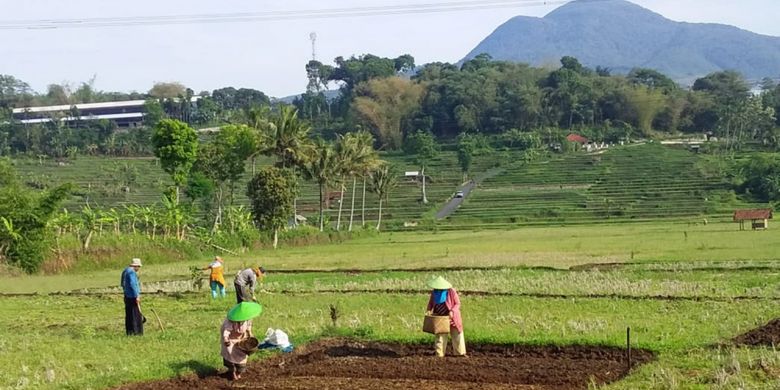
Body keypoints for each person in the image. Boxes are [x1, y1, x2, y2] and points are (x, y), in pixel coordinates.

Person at [221, 301, 263, 380]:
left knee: (242, 357)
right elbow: (226, 332)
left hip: (242, 338)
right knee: (230, 355)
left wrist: (250, 334)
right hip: (231, 338)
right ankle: (232, 372)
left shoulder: (248, 317)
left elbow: (248, 326)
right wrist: (226, 339)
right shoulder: (230, 321)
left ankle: (238, 372)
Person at [426, 276, 466, 357]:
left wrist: (452, 311)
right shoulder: (434, 292)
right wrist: (429, 310)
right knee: (440, 337)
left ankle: (459, 354)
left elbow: (457, 303)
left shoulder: (451, 292)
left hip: (452, 317)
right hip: (440, 317)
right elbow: (431, 303)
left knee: (457, 335)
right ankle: (439, 354)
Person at [120, 258, 144, 336]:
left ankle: (129, 332)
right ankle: (136, 332)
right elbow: (133, 284)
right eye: (138, 267)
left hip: (127, 296)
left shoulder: (125, 271)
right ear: (136, 266)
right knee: (135, 315)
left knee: (129, 315)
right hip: (132, 296)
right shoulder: (131, 273)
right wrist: (137, 295)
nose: (139, 268)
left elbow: (122, 284)